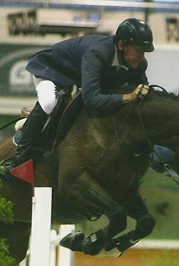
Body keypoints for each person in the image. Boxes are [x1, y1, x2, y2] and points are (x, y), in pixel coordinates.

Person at [9, 17, 154, 168]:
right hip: (51, 70)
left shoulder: (138, 63)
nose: (142, 57)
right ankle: (20, 156)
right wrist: (129, 97)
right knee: (48, 102)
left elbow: (141, 95)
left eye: (144, 51)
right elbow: (91, 99)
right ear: (121, 45)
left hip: (75, 79)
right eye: (138, 50)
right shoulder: (98, 52)